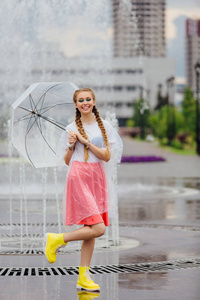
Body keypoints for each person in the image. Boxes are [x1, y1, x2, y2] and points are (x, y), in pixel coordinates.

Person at [44, 87, 123, 292]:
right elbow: (67, 161)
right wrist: (72, 145)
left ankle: (83, 276)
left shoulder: (103, 126)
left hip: (97, 177)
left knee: (91, 231)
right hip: (79, 176)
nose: (85, 102)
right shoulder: (71, 128)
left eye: (88, 99)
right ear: (76, 104)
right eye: (81, 100)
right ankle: (57, 239)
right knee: (99, 228)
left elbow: (107, 156)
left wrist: (87, 142)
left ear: (94, 102)